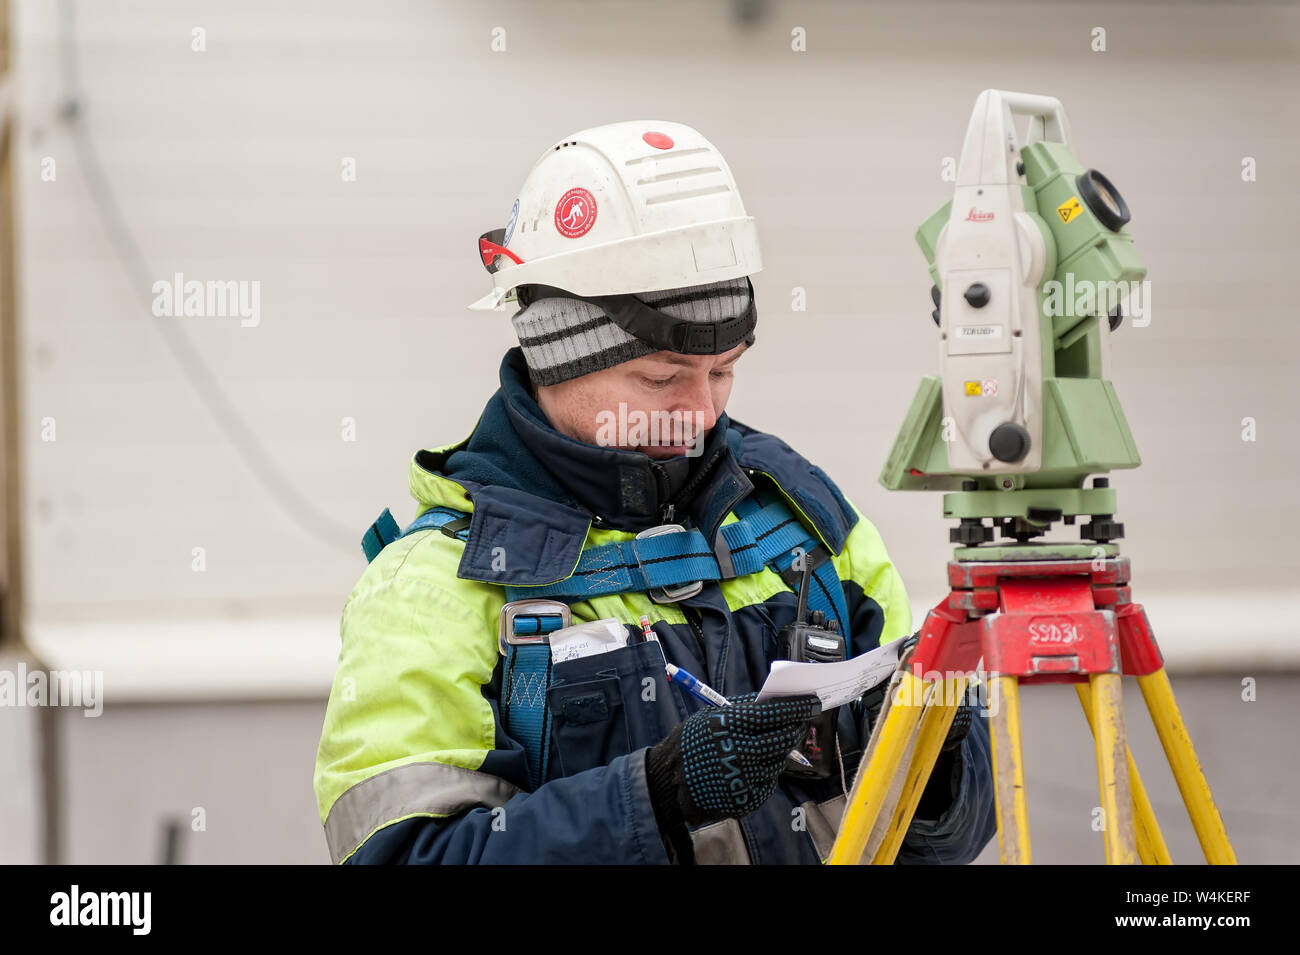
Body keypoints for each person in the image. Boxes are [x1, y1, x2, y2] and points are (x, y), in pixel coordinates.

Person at [313, 120, 997, 864]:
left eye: (724, 371)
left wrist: (937, 765)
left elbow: (943, 839)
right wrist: (656, 800)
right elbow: (406, 856)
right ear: (556, 357)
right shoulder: (432, 586)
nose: (703, 414)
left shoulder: (798, 518)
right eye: (664, 379)